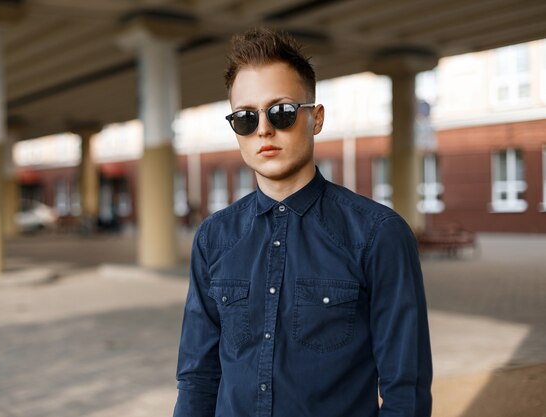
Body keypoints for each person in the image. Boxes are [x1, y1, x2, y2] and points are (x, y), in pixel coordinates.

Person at [173, 27, 432, 417]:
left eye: (281, 111)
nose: (263, 129)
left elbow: (405, 390)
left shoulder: (378, 234)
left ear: (316, 119)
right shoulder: (214, 237)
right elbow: (197, 376)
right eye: (246, 117)